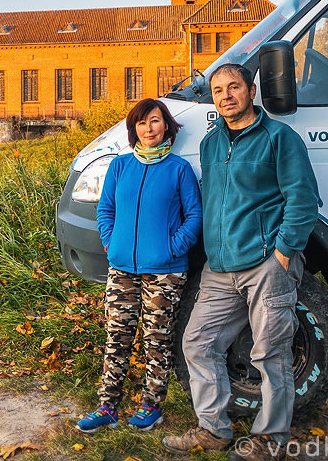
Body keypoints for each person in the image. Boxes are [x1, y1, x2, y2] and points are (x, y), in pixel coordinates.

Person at [163, 64, 319, 461]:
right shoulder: (211, 143)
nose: (226, 95)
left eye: (234, 87)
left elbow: (303, 201)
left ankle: (270, 440)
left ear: (251, 90)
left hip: (266, 265)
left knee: (270, 354)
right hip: (220, 268)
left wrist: (282, 252)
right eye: (218, 90)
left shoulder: (280, 138)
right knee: (198, 343)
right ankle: (213, 429)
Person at [75, 98, 203, 433]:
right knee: (117, 337)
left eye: (156, 121)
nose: (149, 129)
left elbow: (194, 217)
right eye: (142, 123)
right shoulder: (119, 167)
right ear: (134, 129)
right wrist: (110, 243)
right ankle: (107, 407)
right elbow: (106, 210)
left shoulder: (179, 170)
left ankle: (151, 406)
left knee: (156, 340)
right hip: (122, 269)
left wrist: (171, 248)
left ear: (167, 127)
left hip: (165, 271)